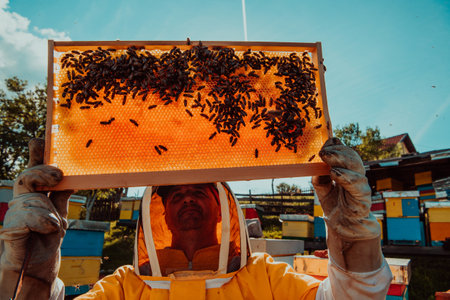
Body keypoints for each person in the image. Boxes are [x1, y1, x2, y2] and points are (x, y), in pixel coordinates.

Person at [0, 137, 393, 300]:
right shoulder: (124, 288)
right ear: (159, 213)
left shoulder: (265, 278)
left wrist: (353, 236)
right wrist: (29, 275)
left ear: (222, 206)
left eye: (199, 191)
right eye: (176, 195)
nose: (187, 198)